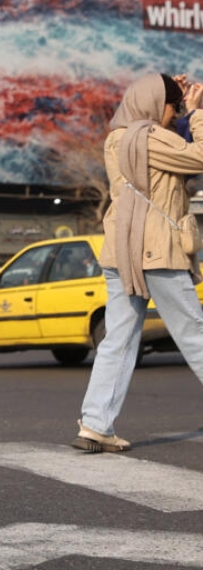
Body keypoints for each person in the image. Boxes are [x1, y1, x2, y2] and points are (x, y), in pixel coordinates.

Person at [73, 73, 203, 453]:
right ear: (154, 106)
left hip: (121, 251)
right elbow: (199, 155)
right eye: (171, 107)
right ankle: (97, 423)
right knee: (194, 334)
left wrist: (174, 96)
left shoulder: (117, 138)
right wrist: (196, 112)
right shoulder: (149, 138)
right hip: (157, 251)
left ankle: (95, 424)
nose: (174, 113)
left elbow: (173, 144)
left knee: (119, 338)